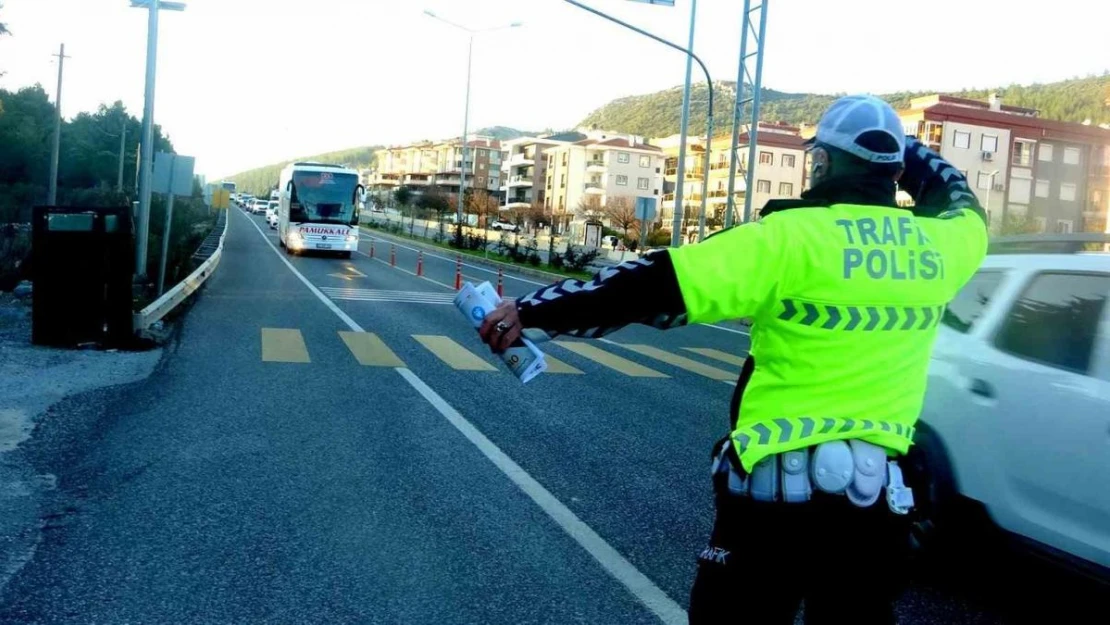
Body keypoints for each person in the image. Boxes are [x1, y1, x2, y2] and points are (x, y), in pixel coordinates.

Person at [478, 95, 987, 624]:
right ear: (896, 170)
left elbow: (651, 286)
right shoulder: (941, 248)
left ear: (822, 163)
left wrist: (530, 311)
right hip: (876, 509)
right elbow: (960, 199)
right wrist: (906, 151)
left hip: (775, 503)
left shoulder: (787, 239)